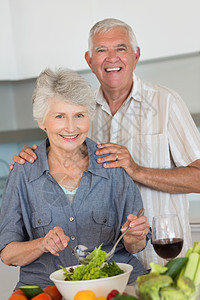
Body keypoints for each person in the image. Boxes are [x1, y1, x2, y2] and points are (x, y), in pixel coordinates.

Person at [10, 18, 200, 268]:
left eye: (120, 48)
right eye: (101, 50)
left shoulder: (166, 103)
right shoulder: (83, 111)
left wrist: (137, 170)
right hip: (108, 263)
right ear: (89, 60)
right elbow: (61, 151)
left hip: (162, 253)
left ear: (136, 55)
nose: (112, 58)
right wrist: (32, 157)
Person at [0, 68, 150, 289]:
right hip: (46, 290)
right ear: (42, 122)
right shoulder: (24, 172)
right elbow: (8, 255)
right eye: (59, 116)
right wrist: (42, 244)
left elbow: (135, 246)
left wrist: (134, 235)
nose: (71, 127)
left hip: (113, 286)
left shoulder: (112, 165)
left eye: (79, 115)